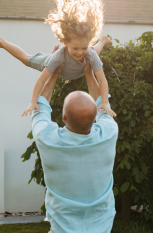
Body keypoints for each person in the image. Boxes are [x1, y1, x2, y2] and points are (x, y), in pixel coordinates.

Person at [0, 0, 116, 117]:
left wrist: (104, 103)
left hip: (85, 64)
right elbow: (41, 80)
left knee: (94, 52)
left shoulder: (88, 53)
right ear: (65, 42)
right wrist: (33, 102)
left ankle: (102, 40)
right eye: (75, 48)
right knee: (26, 59)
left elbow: (102, 79)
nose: (80, 52)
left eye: (84, 47)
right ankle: (1, 42)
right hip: (56, 63)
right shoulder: (58, 57)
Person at [32, 60, 118, 233]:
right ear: (95, 118)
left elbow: (39, 105)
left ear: (63, 117)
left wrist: (54, 73)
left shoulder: (47, 138)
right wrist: (89, 73)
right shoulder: (109, 133)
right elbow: (103, 104)